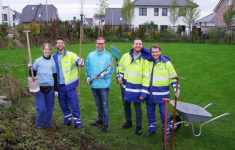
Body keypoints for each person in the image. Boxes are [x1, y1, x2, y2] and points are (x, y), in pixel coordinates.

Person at [143, 44, 180, 141]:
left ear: (160, 52)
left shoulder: (167, 63)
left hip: (162, 96)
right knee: (150, 113)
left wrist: (176, 88)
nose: (155, 54)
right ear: (151, 53)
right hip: (150, 95)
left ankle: (166, 134)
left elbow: (173, 77)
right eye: (153, 52)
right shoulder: (148, 62)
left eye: (156, 52)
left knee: (164, 116)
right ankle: (152, 129)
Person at [117, 38, 151, 136]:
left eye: (140, 44)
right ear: (132, 45)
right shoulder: (125, 56)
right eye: (136, 44)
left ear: (142, 46)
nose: (138, 45)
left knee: (137, 108)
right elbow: (120, 67)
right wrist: (120, 76)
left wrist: (144, 92)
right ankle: (129, 122)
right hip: (126, 87)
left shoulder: (145, 60)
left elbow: (146, 77)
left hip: (137, 89)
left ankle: (139, 128)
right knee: (126, 105)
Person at [52, 37, 85, 129]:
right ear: (56, 45)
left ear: (64, 44)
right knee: (63, 105)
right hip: (59, 87)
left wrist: (80, 62)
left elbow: (80, 62)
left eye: (61, 43)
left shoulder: (71, 55)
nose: (60, 44)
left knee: (74, 105)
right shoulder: (53, 57)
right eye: (58, 43)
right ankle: (67, 121)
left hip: (70, 86)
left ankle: (78, 124)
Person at [86, 37, 114, 132]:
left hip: (104, 86)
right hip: (94, 85)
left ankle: (105, 124)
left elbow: (111, 71)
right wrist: (88, 77)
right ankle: (100, 120)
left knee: (104, 105)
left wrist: (102, 74)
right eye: (98, 43)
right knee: (98, 105)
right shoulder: (90, 55)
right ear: (96, 44)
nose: (100, 45)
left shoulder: (108, 56)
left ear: (104, 44)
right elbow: (87, 68)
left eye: (102, 43)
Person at [29, 43, 57, 129]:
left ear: (50, 50)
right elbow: (32, 74)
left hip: (50, 88)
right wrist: (30, 68)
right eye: (45, 49)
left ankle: (47, 125)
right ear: (42, 50)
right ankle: (39, 125)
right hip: (39, 88)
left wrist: (56, 90)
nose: (47, 51)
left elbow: (55, 76)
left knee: (49, 108)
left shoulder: (52, 62)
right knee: (41, 108)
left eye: (48, 49)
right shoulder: (38, 61)